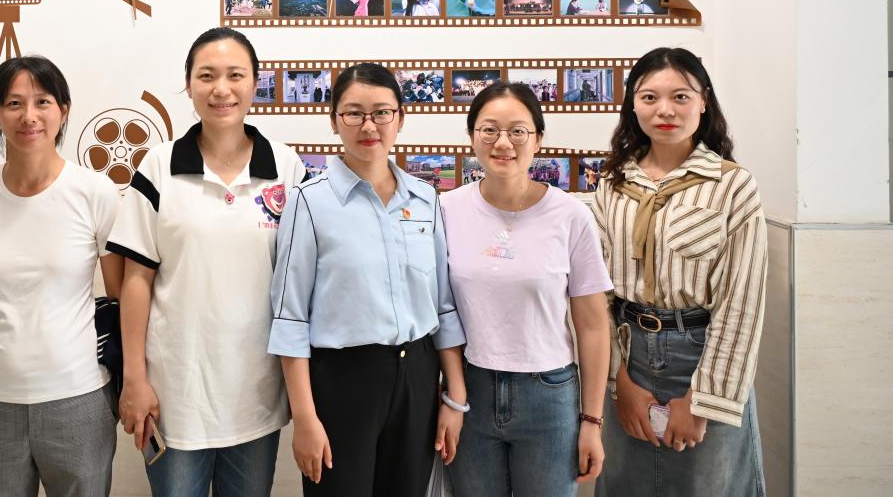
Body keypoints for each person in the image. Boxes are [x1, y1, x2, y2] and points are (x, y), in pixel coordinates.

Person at [108, 27, 307, 497]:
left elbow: (298, 286)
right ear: (189, 84)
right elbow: (135, 281)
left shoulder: (287, 168)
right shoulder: (158, 166)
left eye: (235, 75)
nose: (222, 89)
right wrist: (134, 378)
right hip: (175, 396)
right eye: (207, 76)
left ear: (255, 83)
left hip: (256, 395)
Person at [0, 55, 124, 497]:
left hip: (79, 399)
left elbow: (123, 300)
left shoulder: (95, 193)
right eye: (14, 103)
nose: (29, 116)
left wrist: (136, 386)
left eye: (42, 101)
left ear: (64, 110)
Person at [269, 62, 467, 496]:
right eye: (354, 113)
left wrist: (455, 397)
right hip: (342, 381)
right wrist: (304, 418)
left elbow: (443, 306)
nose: (369, 126)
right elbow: (289, 318)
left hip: (417, 377)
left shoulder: (426, 199)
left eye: (381, 112)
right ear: (334, 120)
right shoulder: (309, 202)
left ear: (400, 118)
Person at [593, 48, 767, 496]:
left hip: (703, 354)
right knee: (626, 486)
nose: (665, 110)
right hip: (629, 353)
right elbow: (598, 296)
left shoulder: (733, 185)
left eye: (680, 96)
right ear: (633, 105)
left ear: (703, 101)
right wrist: (618, 381)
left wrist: (703, 401)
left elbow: (742, 303)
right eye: (649, 97)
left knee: (711, 486)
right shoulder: (612, 184)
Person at [441, 82, 612, 495]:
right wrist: (451, 398)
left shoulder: (571, 216)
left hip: (549, 394)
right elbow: (439, 310)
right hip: (470, 389)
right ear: (472, 136)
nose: (503, 143)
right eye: (489, 130)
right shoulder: (445, 210)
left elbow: (592, 326)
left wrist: (592, 421)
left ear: (538, 139)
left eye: (518, 131)